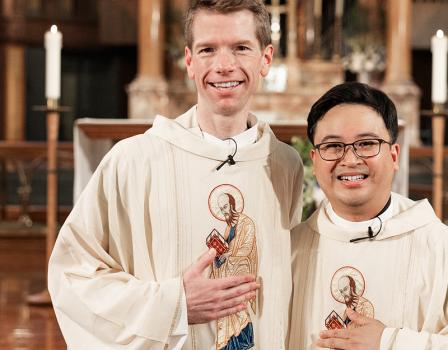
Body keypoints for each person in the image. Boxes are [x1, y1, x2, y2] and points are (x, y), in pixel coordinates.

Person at [48, 1, 303, 349]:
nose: (224, 65)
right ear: (189, 61)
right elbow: (73, 276)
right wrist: (175, 304)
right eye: (208, 50)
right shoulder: (134, 161)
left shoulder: (284, 165)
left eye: (241, 48)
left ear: (266, 59)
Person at [288, 82, 448, 349]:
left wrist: (390, 342)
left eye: (366, 143)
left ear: (394, 155)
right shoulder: (291, 250)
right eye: (333, 146)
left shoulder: (446, 251)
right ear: (314, 161)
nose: (349, 160)